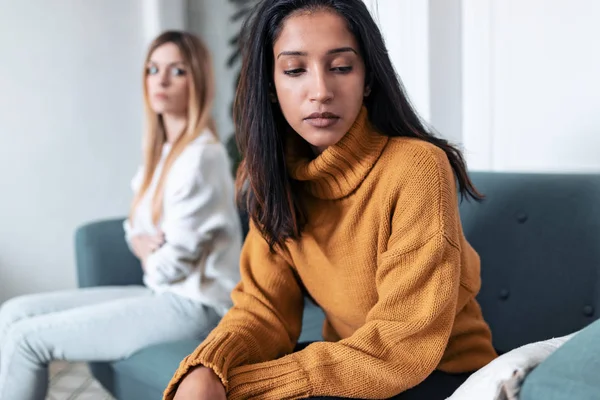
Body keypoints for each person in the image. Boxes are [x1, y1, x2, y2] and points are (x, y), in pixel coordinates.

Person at [166, 1, 498, 399]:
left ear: (368, 79)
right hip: (349, 367)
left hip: (440, 376)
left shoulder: (417, 168)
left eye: (341, 67)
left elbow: (403, 342)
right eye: (294, 70)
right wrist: (209, 369)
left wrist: (239, 386)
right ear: (270, 86)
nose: (321, 91)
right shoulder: (273, 179)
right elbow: (264, 310)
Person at [0, 30, 242, 400]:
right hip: (163, 294)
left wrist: (146, 250)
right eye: (152, 69)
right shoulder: (163, 154)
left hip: (197, 307)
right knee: (13, 312)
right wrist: (144, 243)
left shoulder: (201, 157)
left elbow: (167, 266)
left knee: (26, 340)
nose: (160, 80)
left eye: (177, 70)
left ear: (198, 80)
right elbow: (135, 227)